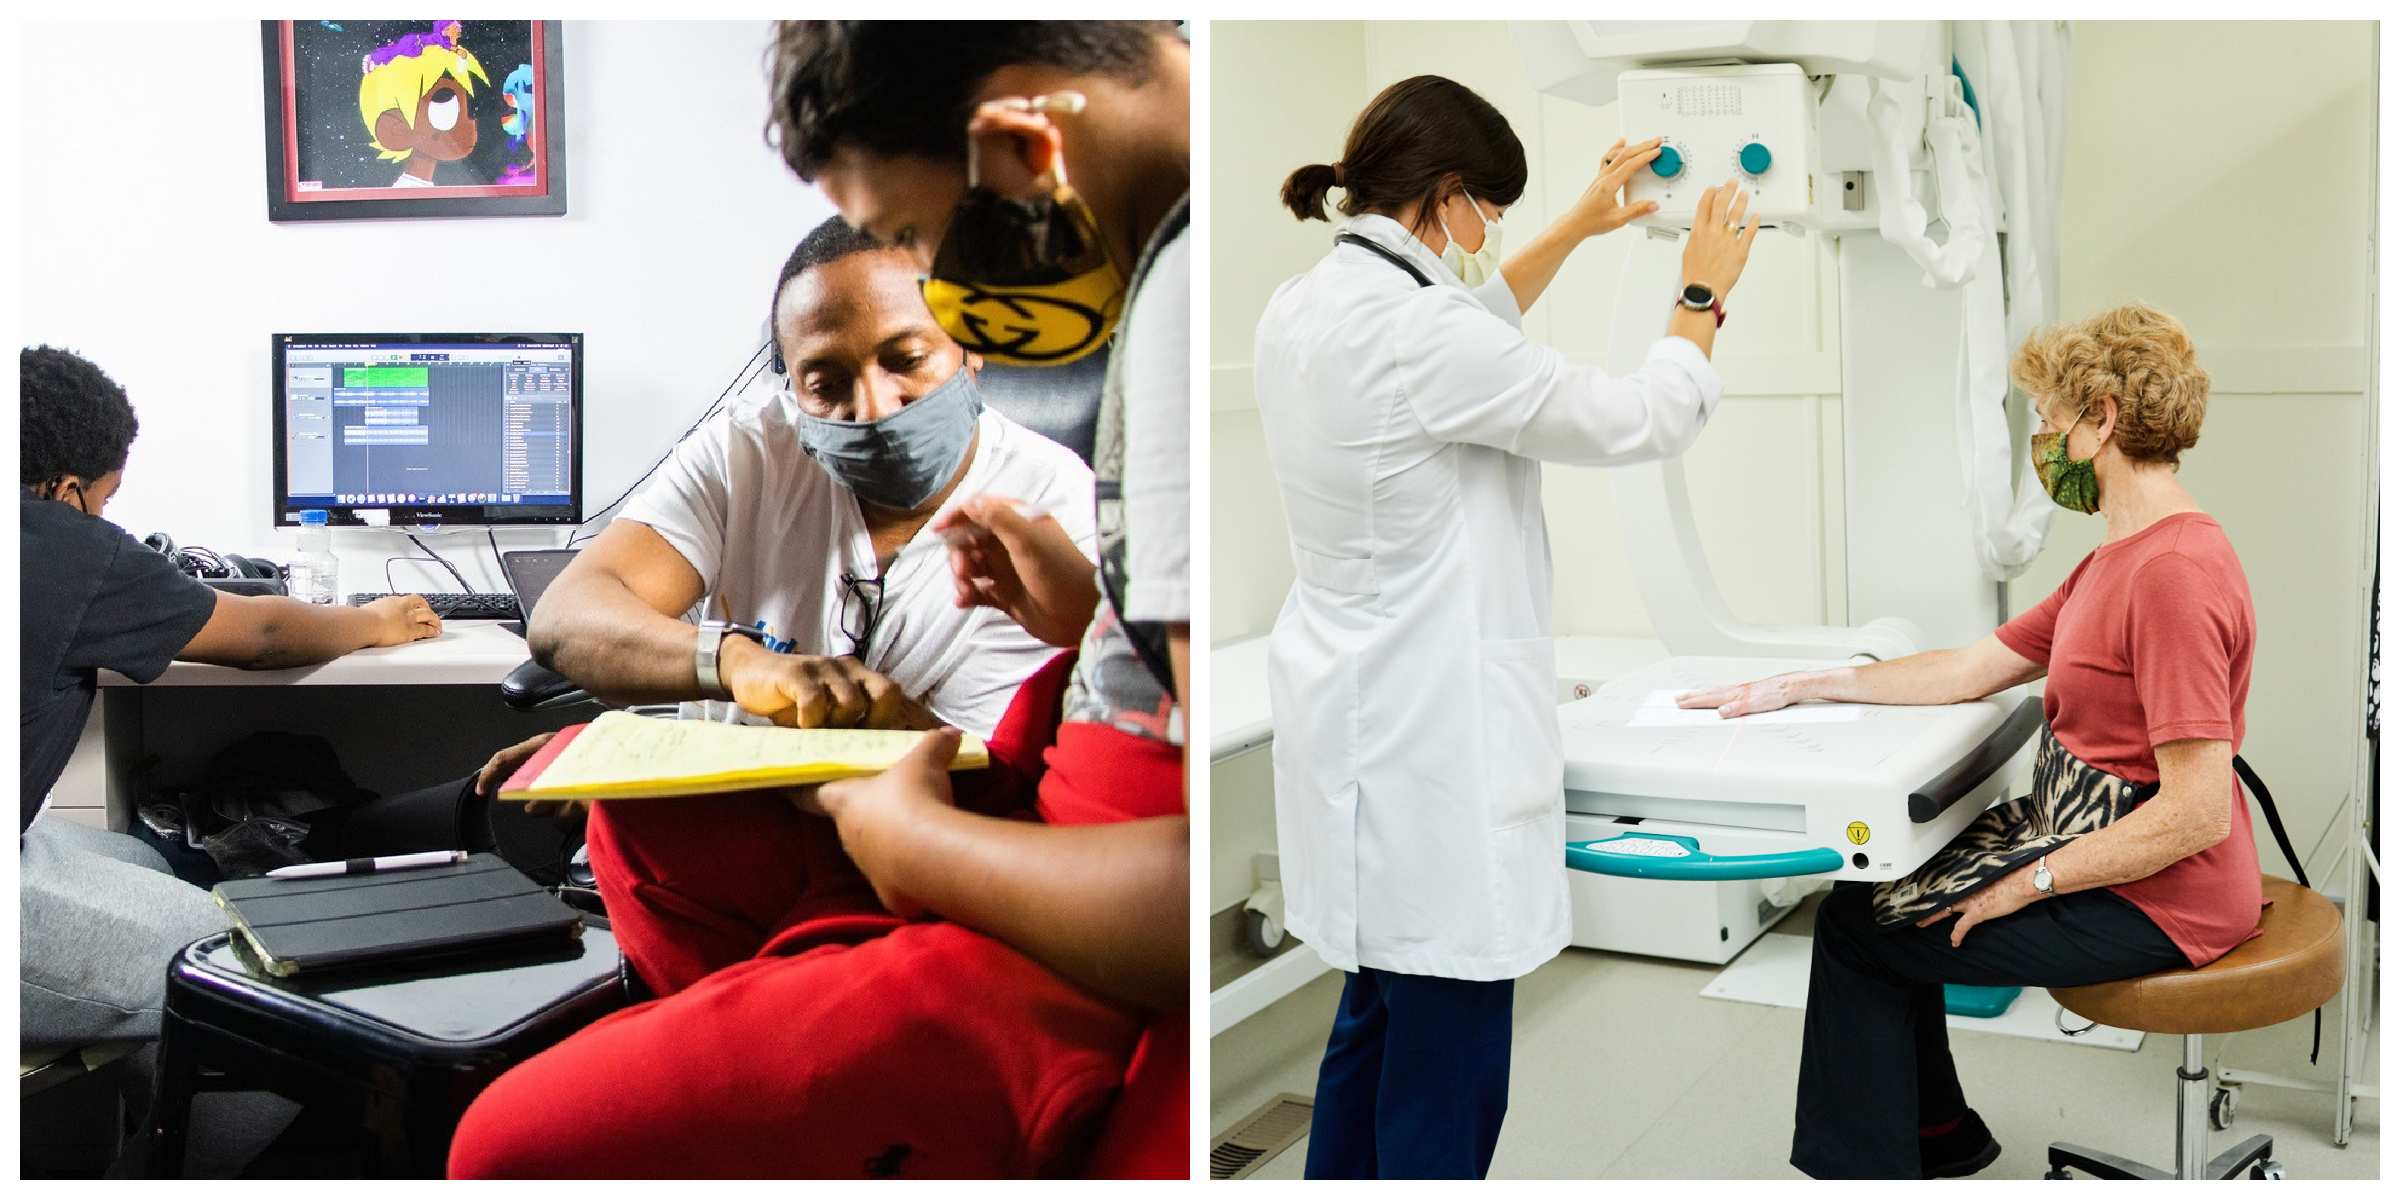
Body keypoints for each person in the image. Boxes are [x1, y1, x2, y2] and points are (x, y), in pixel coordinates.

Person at [444, 211, 1161, 1178]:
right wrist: (733, 664)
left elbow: (1001, 789)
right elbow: (572, 617)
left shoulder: (1053, 511)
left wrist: (879, 726)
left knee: (519, 1140)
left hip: (918, 860)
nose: (872, 406)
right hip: (749, 835)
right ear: (788, 387)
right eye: (826, 380)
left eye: (909, 358)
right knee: (629, 824)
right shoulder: (754, 448)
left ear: (972, 351)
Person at [1254, 75, 1759, 1179]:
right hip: (1435, 744)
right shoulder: (1424, 335)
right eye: (1494, 210)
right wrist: (1701, 296)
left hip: (1351, 719)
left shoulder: (1307, 305)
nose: (1495, 233)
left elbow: (1470, 325)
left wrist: (1581, 221)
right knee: (1450, 1062)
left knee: (1370, 1027)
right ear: (1448, 195)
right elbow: (1645, 415)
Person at [1678, 304, 2257, 1179]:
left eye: (2050, 423)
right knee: (1866, 902)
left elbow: (2196, 812)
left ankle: (1879, 1168)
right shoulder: (2114, 558)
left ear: (2100, 418)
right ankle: (1935, 1139)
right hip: (2096, 846)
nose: (2045, 444)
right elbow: (1971, 666)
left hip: (2161, 898)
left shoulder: (2170, 576)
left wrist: (2028, 883)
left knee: (1858, 930)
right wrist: (1808, 681)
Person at [767, 20, 1192, 1178]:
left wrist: (916, 844)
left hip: (1077, 914)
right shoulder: (1169, 281)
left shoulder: (1180, 319)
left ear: (1016, 144)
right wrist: (1099, 614)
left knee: (510, 1142)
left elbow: (1189, 886)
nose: (937, 289)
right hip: (1058, 813)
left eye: (909, 232)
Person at [18, 345, 441, 1051]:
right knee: (253, 972)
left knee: (151, 863)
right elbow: (266, 632)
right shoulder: (58, 542)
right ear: (66, 491)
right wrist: (376, 621)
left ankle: (131, 1126)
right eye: (105, 498)